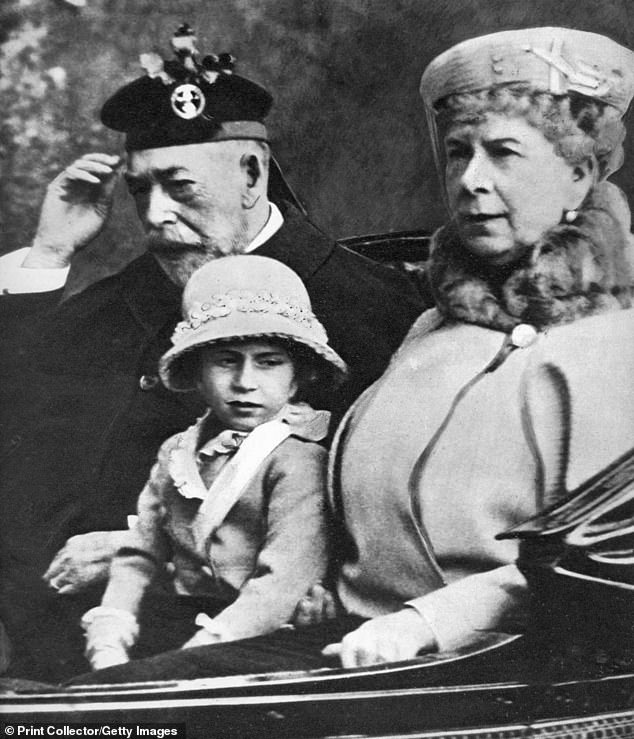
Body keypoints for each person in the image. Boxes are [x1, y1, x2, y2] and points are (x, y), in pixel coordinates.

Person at [71, 26, 634, 684]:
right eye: (458, 153)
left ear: (581, 173)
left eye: (503, 153)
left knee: (112, 708)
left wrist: (419, 622)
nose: (471, 180)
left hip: (492, 665)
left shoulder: (611, 346)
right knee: (87, 695)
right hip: (346, 637)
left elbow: (597, 572)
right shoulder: (431, 324)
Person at [0, 26, 424, 681]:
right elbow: (15, 405)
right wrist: (50, 255)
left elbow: (388, 525)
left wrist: (140, 552)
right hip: (49, 645)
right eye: (141, 191)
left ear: (252, 175)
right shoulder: (129, 295)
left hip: (236, 657)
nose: (155, 215)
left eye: (179, 186)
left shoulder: (375, 309)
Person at [81, 255, 346, 671]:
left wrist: (191, 659)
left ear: (298, 377)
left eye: (269, 361)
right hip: (180, 621)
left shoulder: (298, 460)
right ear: (198, 373)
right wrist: (111, 631)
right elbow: (140, 553)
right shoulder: (177, 452)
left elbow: (279, 587)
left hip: (260, 635)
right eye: (226, 360)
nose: (244, 381)